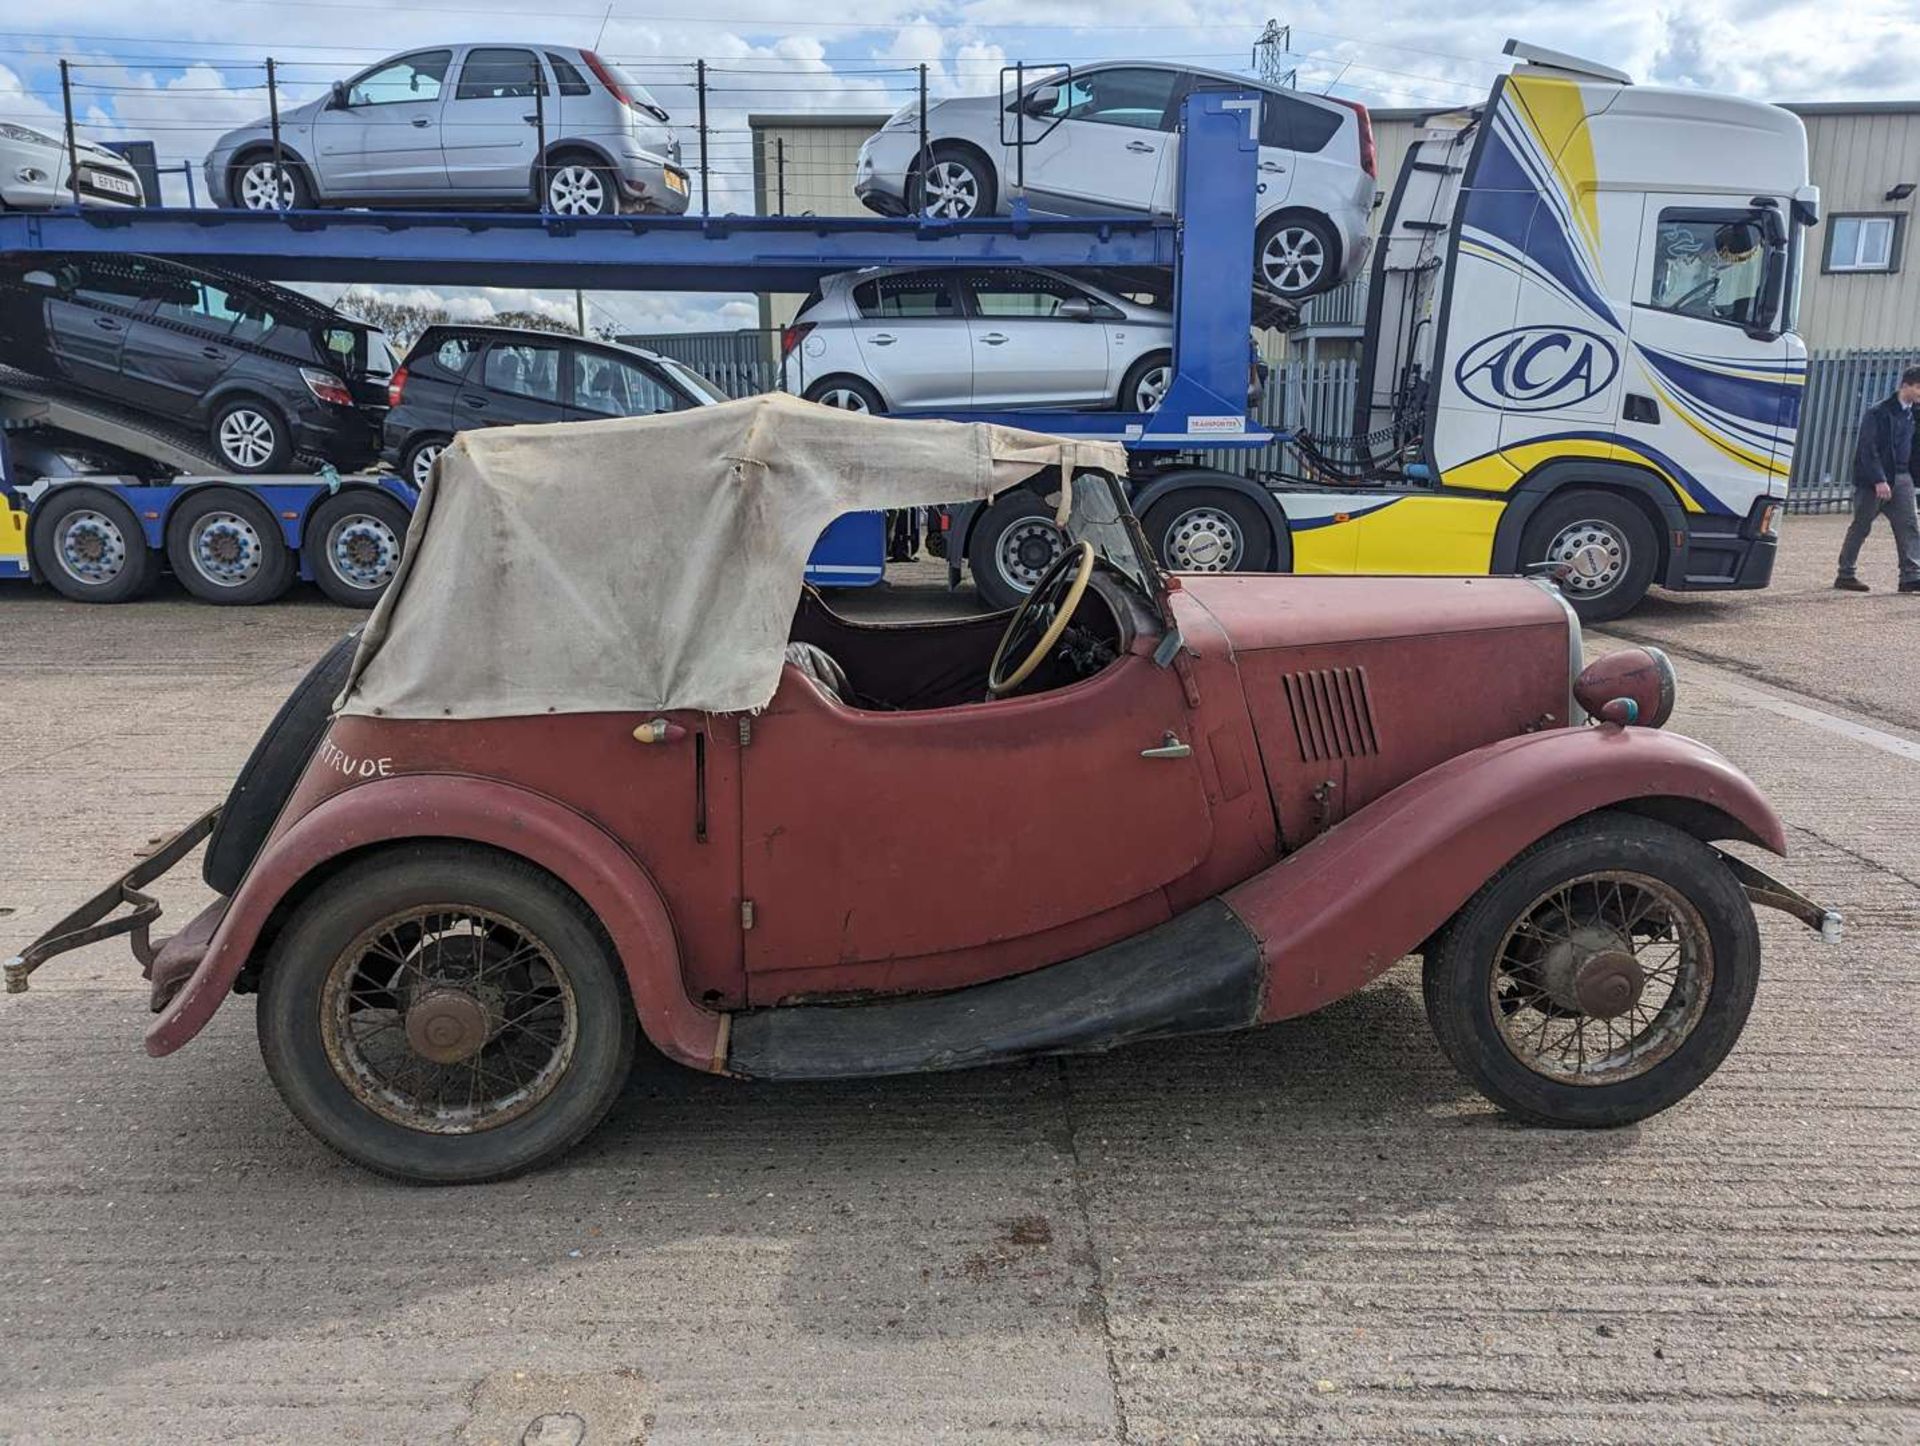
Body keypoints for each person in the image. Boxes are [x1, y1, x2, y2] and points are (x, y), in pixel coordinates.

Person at [1835, 365, 1920, 592]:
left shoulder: (1913, 414)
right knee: (1861, 526)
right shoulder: (1878, 412)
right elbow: (1867, 447)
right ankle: (1845, 574)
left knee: (1909, 526)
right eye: (1919, 388)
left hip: (1903, 477)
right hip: (1876, 480)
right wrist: (1879, 479)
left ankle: (1910, 576)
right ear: (1906, 385)